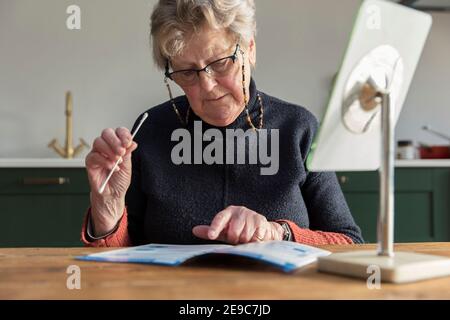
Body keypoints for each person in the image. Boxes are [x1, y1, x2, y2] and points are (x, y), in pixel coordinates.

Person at [81, 0, 363, 247]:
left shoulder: (299, 128)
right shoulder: (150, 130)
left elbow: (348, 242)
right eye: (188, 72)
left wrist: (279, 234)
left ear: (250, 49)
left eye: (220, 63)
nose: (208, 86)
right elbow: (119, 266)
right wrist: (108, 208)